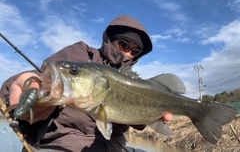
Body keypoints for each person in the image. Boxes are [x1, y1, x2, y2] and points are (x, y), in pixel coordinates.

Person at [0, 15, 172, 152]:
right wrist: (21, 88)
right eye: (124, 44)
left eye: (135, 51)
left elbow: (135, 119)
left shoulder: (133, 79)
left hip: (115, 146)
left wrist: (149, 117)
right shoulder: (82, 54)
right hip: (65, 145)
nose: (128, 53)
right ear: (110, 40)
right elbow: (38, 79)